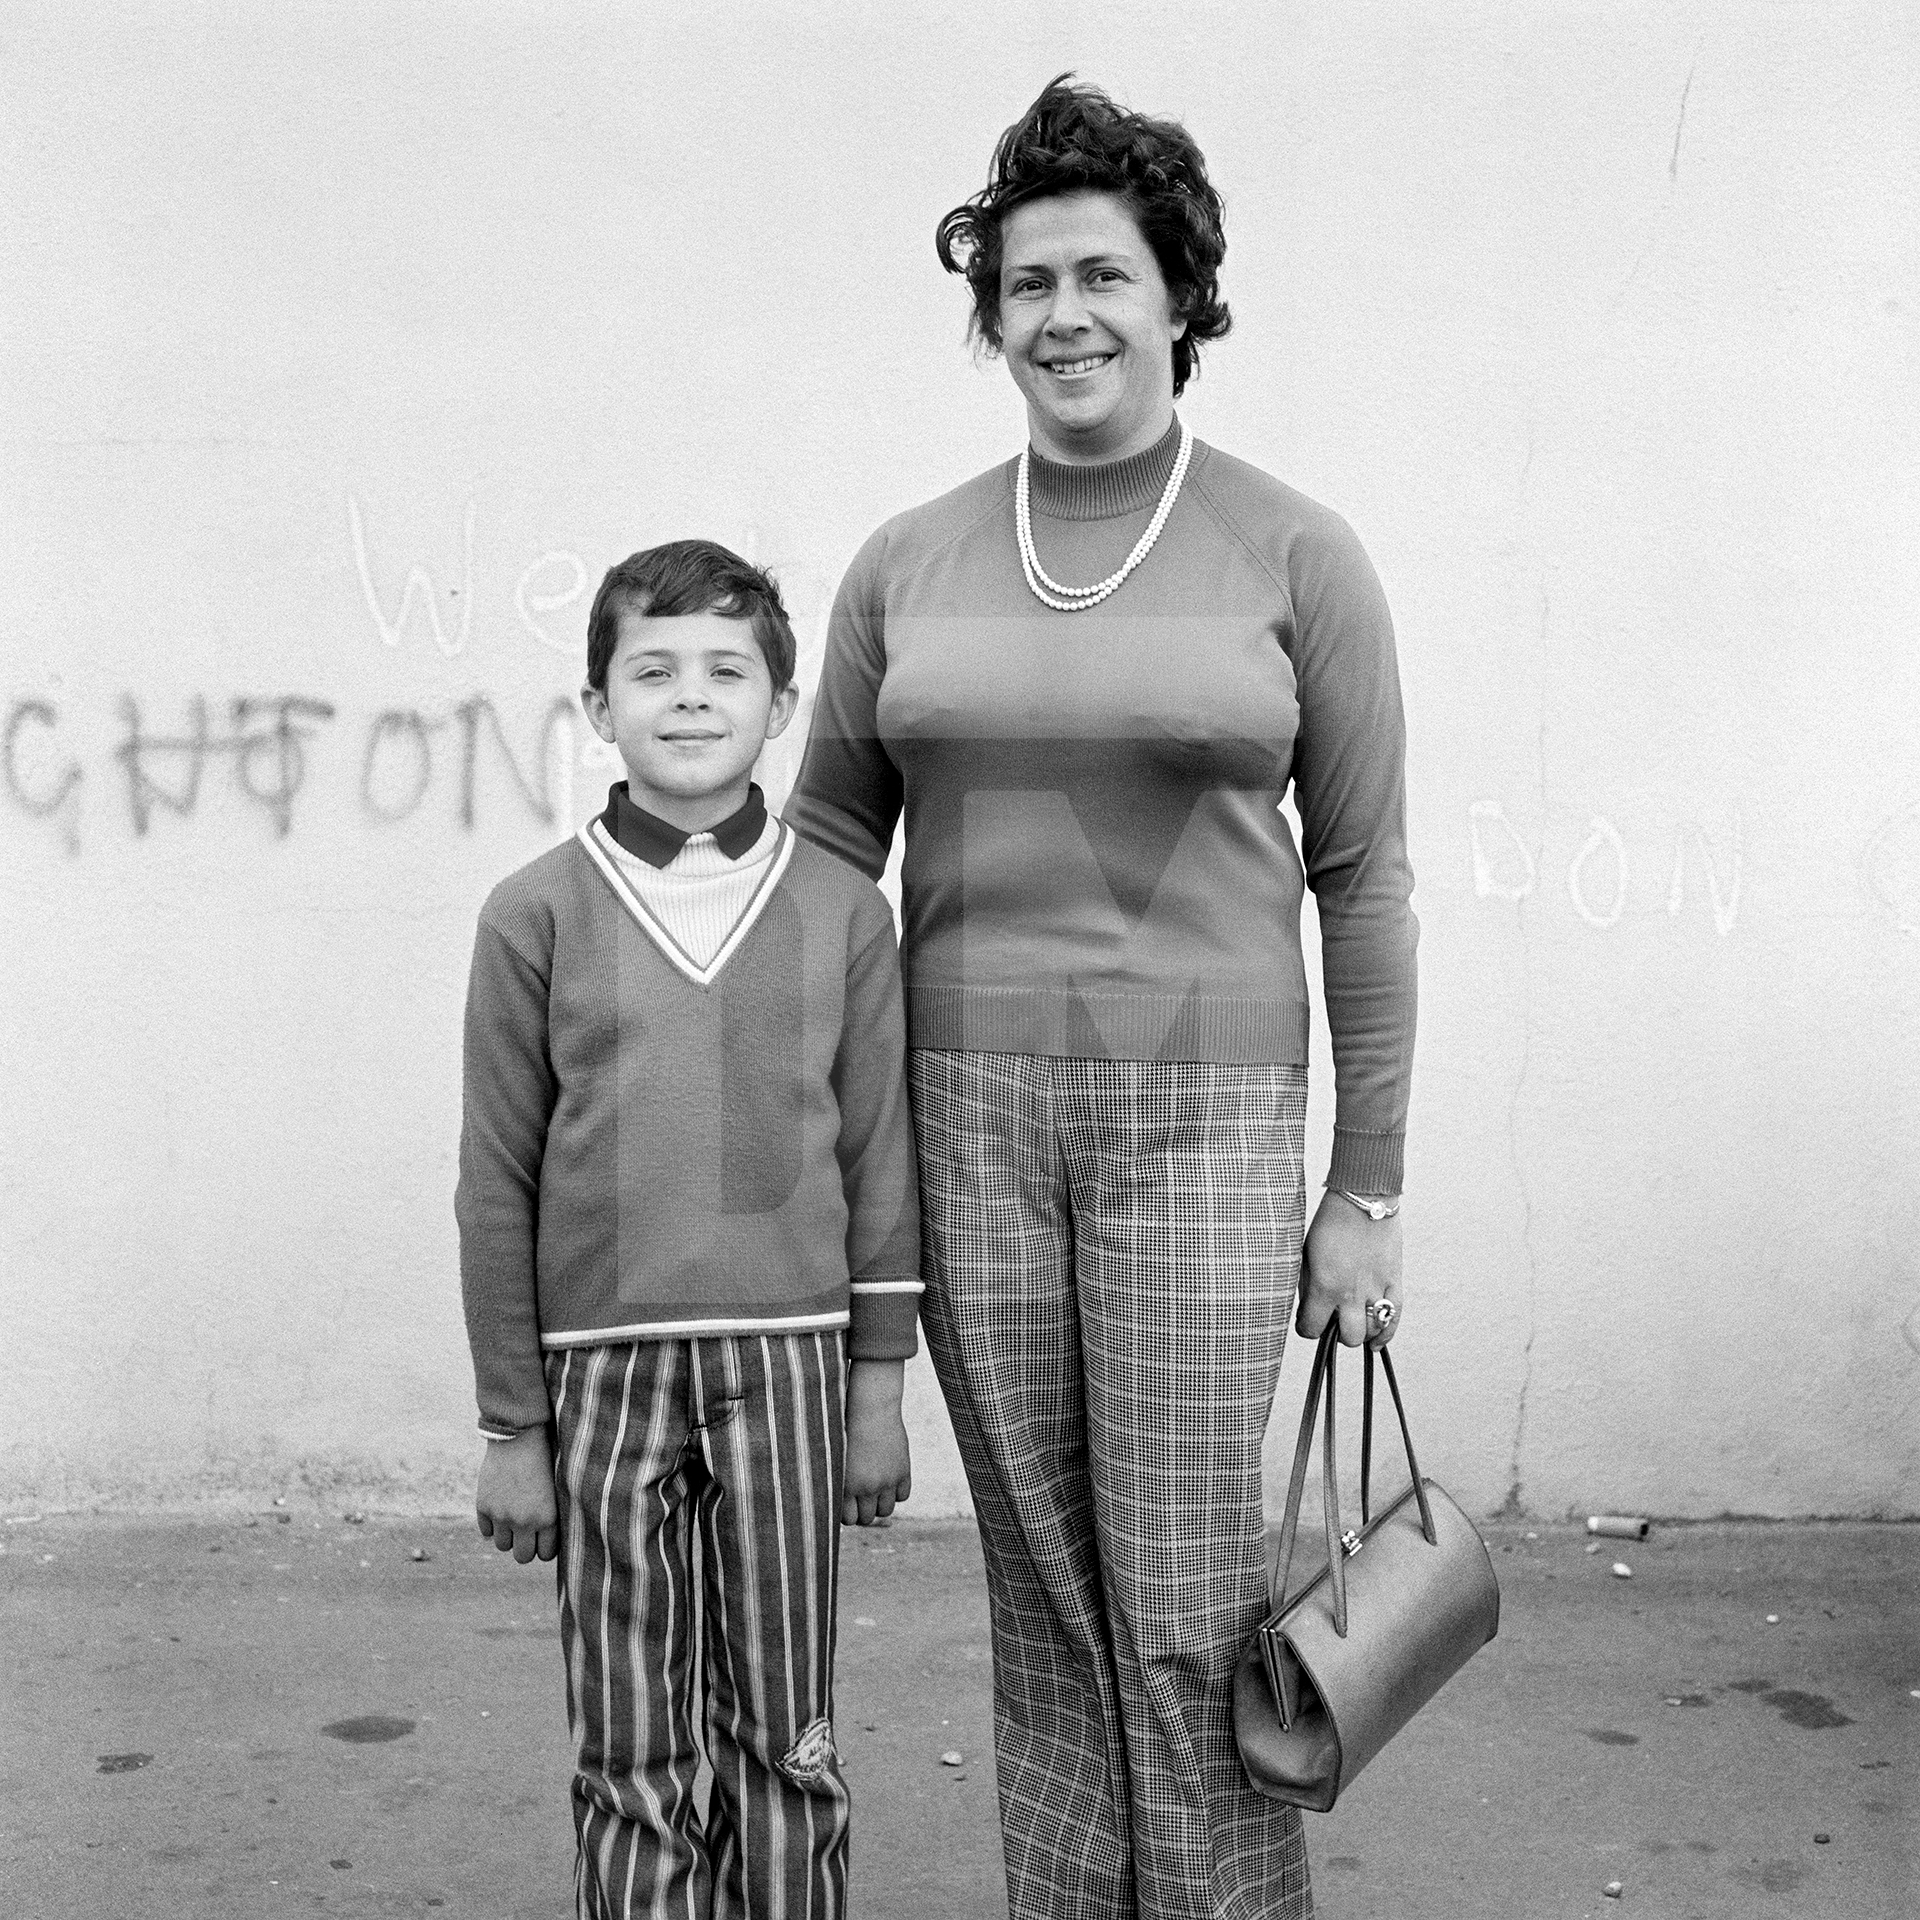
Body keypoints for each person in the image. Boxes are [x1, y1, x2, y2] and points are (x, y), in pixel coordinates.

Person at [785, 77, 1417, 1920]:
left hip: (1205, 1131)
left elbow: (1365, 877)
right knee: (1045, 1593)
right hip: (963, 1112)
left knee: (1188, 1591)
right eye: (1027, 280)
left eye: (1104, 274)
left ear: (1178, 299)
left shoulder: (1299, 553)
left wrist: (1362, 1190)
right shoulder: (905, 560)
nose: (1063, 313)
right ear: (991, 318)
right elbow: (830, 845)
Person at [455, 539, 922, 1920]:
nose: (690, 697)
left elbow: (880, 1151)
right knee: (631, 1739)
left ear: (781, 705)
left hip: (791, 1363)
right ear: (598, 705)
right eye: (650, 670)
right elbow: (496, 1178)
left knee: (789, 1729)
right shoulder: (534, 911)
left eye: (729, 669)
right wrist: (510, 1427)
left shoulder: (842, 910)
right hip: (601, 1376)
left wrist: (877, 1390)